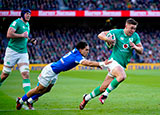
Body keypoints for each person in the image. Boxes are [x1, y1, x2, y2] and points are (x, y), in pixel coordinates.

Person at [16, 41, 111, 110]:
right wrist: (101, 64)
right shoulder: (77, 56)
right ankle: (20, 101)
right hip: (50, 71)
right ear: (80, 49)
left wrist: (98, 65)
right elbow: (88, 63)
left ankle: (30, 101)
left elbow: (87, 61)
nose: (88, 52)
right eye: (86, 50)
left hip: (55, 71)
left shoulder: (76, 52)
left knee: (47, 89)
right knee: (38, 89)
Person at [79, 18, 144, 110]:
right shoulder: (116, 32)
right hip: (113, 62)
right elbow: (100, 35)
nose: (133, 30)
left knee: (102, 88)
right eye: (131, 28)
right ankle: (105, 95)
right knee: (122, 76)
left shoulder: (135, 36)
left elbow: (141, 50)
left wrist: (135, 47)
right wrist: (108, 39)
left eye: (134, 29)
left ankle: (86, 98)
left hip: (121, 65)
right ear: (126, 26)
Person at [0, 9, 36, 109]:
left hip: (23, 52)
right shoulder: (16, 22)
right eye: (27, 14)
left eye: (30, 14)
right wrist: (21, 35)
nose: (29, 16)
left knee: (25, 74)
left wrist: (30, 40)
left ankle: (29, 99)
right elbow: (9, 34)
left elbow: (25, 36)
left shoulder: (27, 24)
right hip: (12, 52)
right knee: (4, 75)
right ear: (22, 15)